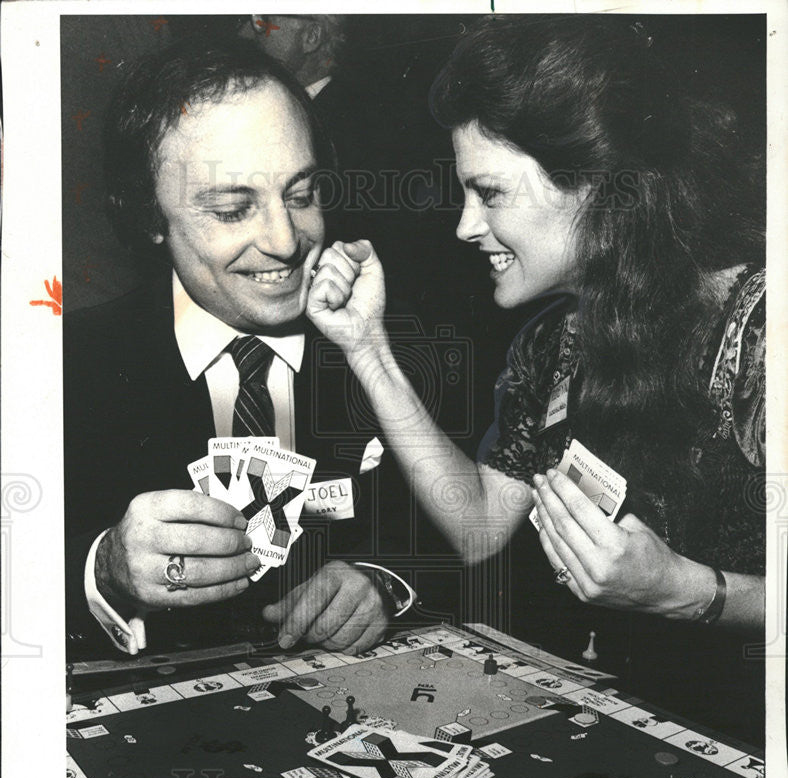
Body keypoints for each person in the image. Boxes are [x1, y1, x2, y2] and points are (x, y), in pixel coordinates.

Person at [305, 16, 765, 740]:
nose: (465, 226)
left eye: (489, 193)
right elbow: (480, 526)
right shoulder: (554, 341)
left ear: (597, 186)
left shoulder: (763, 326)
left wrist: (684, 591)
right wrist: (368, 347)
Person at [64, 40, 424, 661]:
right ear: (150, 217)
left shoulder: (391, 340)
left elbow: (465, 539)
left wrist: (384, 584)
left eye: (303, 195)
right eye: (233, 210)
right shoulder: (65, 367)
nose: (286, 242)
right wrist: (106, 570)